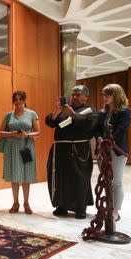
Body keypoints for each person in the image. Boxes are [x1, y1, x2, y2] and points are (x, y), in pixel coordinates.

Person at [45, 85, 97, 219]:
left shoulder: (90, 111)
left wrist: (73, 114)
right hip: (60, 151)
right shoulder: (64, 111)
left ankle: (80, 208)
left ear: (86, 96)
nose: (74, 97)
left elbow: (88, 125)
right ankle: (62, 206)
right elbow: (50, 122)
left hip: (78, 150)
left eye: (78, 94)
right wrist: (56, 111)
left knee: (79, 179)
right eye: (73, 94)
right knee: (60, 179)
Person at [0, 91, 40, 214]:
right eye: (15, 100)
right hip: (11, 148)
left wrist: (27, 135)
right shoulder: (8, 115)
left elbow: (38, 132)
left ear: (25, 100)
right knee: (14, 176)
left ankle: (26, 204)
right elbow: (0, 132)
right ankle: (15, 203)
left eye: (20, 99)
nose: (18, 102)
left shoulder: (32, 114)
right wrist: (11, 133)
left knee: (26, 176)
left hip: (26, 146)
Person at [95, 84, 131, 222]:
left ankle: (115, 211)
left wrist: (109, 141)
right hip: (102, 151)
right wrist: (99, 138)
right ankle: (108, 208)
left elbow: (121, 130)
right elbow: (97, 129)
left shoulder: (125, 112)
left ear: (116, 95)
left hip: (117, 151)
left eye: (107, 95)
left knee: (116, 182)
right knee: (106, 181)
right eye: (103, 95)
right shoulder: (102, 113)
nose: (104, 97)